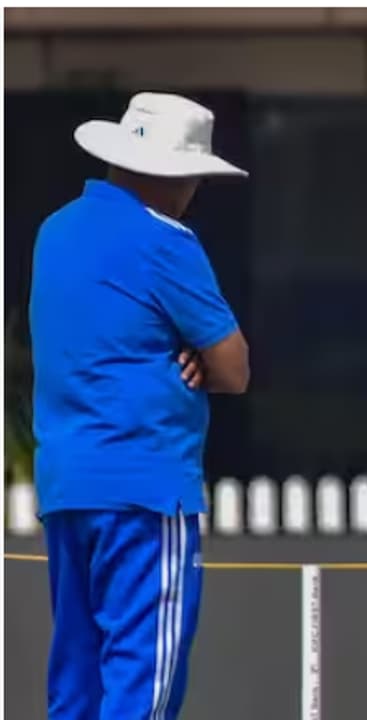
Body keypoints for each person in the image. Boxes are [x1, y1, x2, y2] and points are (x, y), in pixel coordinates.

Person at [29, 92, 250, 720]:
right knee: (143, 679)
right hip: (144, 483)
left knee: (76, 680)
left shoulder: (55, 230)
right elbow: (234, 369)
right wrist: (194, 352)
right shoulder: (165, 242)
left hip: (67, 483)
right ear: (174, 177)